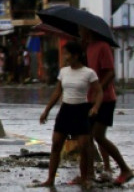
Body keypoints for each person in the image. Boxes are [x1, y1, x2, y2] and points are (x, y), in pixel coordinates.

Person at [34, 41, 102, 188]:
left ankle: (85, 178)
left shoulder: (89, 73)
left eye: (67, 54)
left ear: (76, 56)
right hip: (66, 110)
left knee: (84, 146)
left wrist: (96, 106)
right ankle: (50, 179)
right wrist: (47, 110)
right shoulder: (64, 71)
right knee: (56, 144)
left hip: (81, 110)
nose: (65, 57)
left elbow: (99, 91)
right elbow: (57, 92)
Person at [79, 26, 134, 185]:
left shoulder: (102, 46)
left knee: (98, 135)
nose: (79, 32)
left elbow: (110, 71)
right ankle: (87, 174)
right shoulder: (88, 47)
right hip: (90, 98)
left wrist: (99, 88)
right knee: (86, 137)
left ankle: (124, 169)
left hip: (105, 98)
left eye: (81, 30)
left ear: (88, 30)